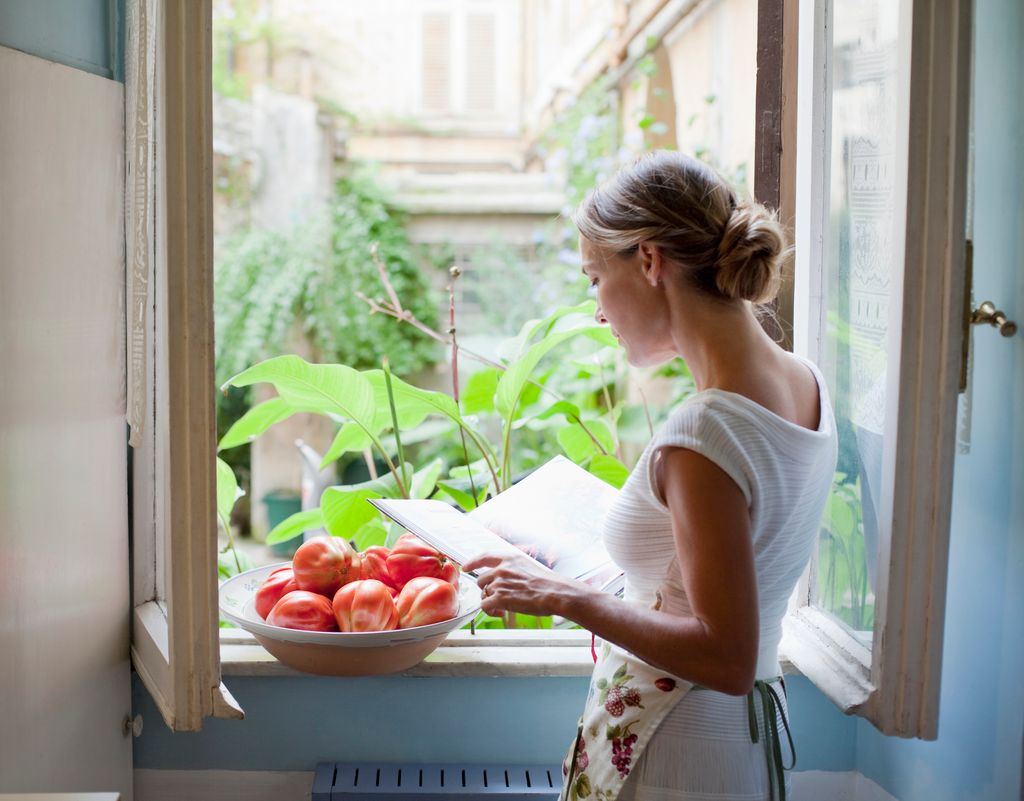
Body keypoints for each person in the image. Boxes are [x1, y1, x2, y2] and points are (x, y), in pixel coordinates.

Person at [463, 150, 838, 801]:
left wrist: (561, 596)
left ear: (650, 260)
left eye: (594, 277)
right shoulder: (803, 381)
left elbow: (723, 653)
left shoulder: (704, 433)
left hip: (680, 749)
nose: (599, 311)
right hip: (737, 744)